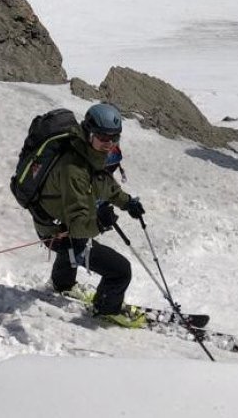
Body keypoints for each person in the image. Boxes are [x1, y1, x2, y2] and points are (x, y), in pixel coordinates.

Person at [32, 103, 146, 327]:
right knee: (120, 270)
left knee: (71, 248)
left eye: (114, 138)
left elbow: (103, 183)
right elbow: (79, 226)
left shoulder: (88, 154)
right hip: (58, 231)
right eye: (103, 137)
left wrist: (127, 203)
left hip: (56, 226)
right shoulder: (74, 169)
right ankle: (106, 309)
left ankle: (62, 285)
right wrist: (100, 223)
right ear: (89, 132)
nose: (109, 144)